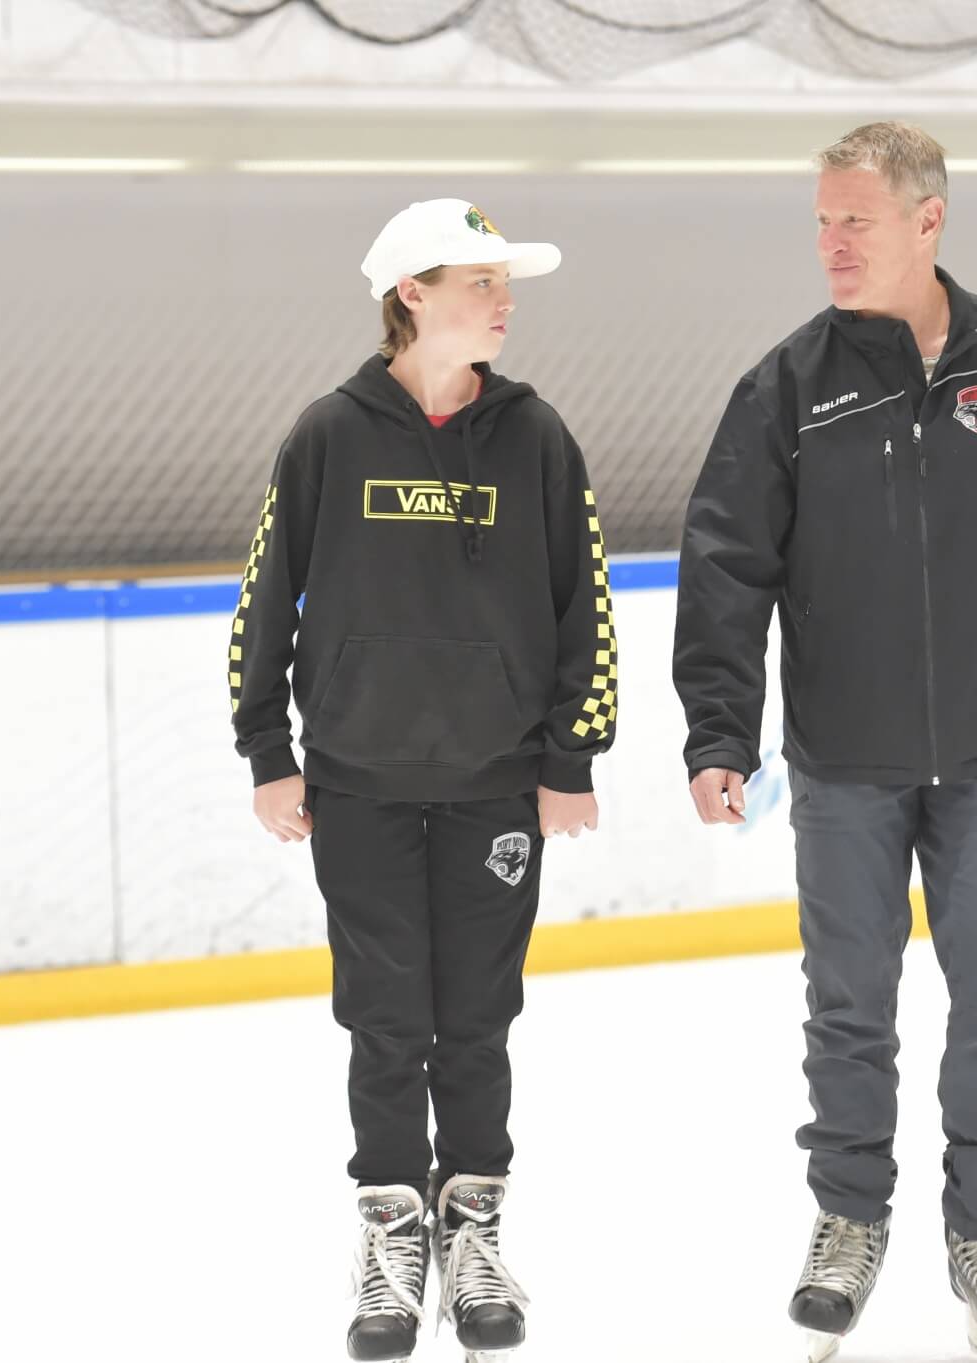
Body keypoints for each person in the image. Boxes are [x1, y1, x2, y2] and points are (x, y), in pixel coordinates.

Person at [672, 122, 977, 1363]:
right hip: (843, 762)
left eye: (855, 222)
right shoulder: (784, 387)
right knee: (847, 1008)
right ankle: (846, 1221)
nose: (830, 243)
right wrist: (718, 731)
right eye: (820, 220)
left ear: (926, 222)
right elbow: (723, 569)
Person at [228, 197, 616, 1362]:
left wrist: (569, 756)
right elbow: (264, 594)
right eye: (480, 282)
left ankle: (478, 1225)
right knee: (385, 1019)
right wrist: (268, 752)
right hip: (357, 783)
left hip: (499, 784)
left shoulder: (537, 437)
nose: (503, 302)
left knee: (478, 1019)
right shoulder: (328, 436)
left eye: (505, 284)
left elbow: (582, 603)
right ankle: (394, 1233)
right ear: (412, 294)